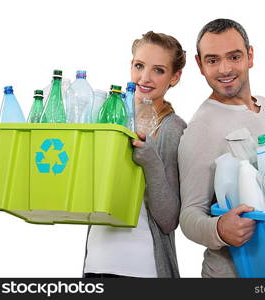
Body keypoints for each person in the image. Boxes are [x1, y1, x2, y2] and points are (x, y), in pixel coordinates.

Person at [178, 19, 265, 278]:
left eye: (234, 57)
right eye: (213, 60)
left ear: (250, 56)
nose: (224, 69)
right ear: (200, 65)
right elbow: (189, 215)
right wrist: (219, 230)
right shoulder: (202, 127)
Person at [83, 31, 187, 278]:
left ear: (175, 77)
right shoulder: (107, 118)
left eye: (159, 70)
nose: (145, 78)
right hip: (96, 264)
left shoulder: (172, 128)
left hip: (143, 268)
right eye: (139, 66)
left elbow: (169, 219)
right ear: (131, 65)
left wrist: (151, 162)